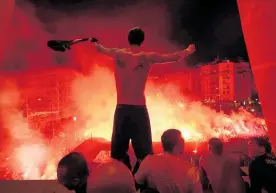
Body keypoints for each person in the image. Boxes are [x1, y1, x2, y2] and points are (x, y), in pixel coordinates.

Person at [91, 27, 196, 172]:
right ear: (142, 41)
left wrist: (95, 43)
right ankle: (138, 180)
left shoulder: (117, 54)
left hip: (122, 108)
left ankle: (127, 178)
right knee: (145, 156)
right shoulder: (147, 57)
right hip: (139, 109)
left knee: (118, 155)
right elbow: (173, 56)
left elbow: (100, 49)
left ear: (128, 40)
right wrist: (189, 50)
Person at [135, 129, 202, 193]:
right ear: (180, 144)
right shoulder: (190, 169)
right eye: (183, 141)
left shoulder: (149, 160)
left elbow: (136, 183)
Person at [57, 152, 136, 193]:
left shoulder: (94, 189)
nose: (60, 183)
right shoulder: (97, 175)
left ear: (75, 181)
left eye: (62, 180)